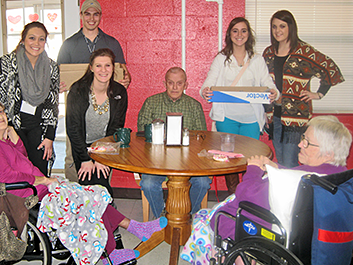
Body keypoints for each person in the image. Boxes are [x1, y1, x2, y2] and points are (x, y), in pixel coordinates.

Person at [0, 92, 167, 265]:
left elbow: (22, 160)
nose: (0, 116)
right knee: (91, 196)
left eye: (1, 111)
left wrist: (13, 135)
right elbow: (6, 176)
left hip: (33, 189)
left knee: (92, 195)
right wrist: (44, 181)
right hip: (21, 196)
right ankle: (123, 240)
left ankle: (117, 246)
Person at [182, 115, 352, 264]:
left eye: (307, 142)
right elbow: (295, 176)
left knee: (206, 219)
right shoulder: (340, 176)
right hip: (312, 237)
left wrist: (254, 169)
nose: (300, 144)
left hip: (261, 229)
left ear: (328, 153)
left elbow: (246, 196)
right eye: (303, 138)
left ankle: (239, 258)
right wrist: (275, 167)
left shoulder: (294, 181)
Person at [200, 17, 279, 194]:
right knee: (229, 160)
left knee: (250, 160)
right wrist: (205, 91)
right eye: (235, 31)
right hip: (226, 118)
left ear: (248, 34)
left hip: (251, 119)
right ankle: (233, 195)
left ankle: (248, 195)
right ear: (229, 34)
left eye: (243, 31)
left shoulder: (257, 60)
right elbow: (207, 84)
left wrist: (274, 92)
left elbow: (268, 83)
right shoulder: (221, 59)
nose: (239, 35)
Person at [57, 0, 131, 182]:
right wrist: (57, 85)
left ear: (100, 16)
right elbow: (58, 75)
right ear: (81, 16)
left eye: (95, 14)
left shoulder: (112, 43)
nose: (91, 18)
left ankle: (101, 187)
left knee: (105, 150)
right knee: (73, 152)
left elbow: (122, 71)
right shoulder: (68, 44)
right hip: (79, 106)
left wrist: (127, 78)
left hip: (105, 104)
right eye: (87, 14)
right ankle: (74, 193)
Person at [263, 10, 344, 168]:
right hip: (274, 116)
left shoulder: (304, 52)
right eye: (274, 27)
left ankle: (295, 192)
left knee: (290, 162)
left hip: (295, 118)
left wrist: (318, 94)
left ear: (290, 28)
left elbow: (330, 69)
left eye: (282, 26)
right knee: (280, 161)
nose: (277, 30)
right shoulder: (268, 53)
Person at [137, 67, 211, 219]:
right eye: (171, 83)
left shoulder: (194, 106)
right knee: (148, 184)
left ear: (186, 85)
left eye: (179, 83)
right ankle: (162, 217)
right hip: (156, 161)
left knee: (203, 183)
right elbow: (141, 132)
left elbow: (203, 138)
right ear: (165, 83)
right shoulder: (151, 102)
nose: (175, 87)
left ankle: (187, 213)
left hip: (188, 162)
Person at [0, 21, 59, 177]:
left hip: (39, 128)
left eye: (41, 39)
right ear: (23, 40)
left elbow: (52, 102)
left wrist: (49, 136)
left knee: (40, 173)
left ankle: (39, 202)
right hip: (13, 127)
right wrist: (5, 128)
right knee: (18, 172)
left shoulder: (51, 67)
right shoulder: (6, 64)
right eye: (32, 38)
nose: (36, 43)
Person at [66, 48, 127, 197]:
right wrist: (85, 159)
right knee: (88, 183)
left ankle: (105, 214)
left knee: (101, 183)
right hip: (81, 145)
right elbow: (72, 127)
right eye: (98, 65)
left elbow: (116, 127)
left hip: (104, 146)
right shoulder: (78, 90)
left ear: (113, 68)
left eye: (108, 65)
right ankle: (109, 215)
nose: (103, 70)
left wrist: (102, 157)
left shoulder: (119, 92)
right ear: (91, 68)